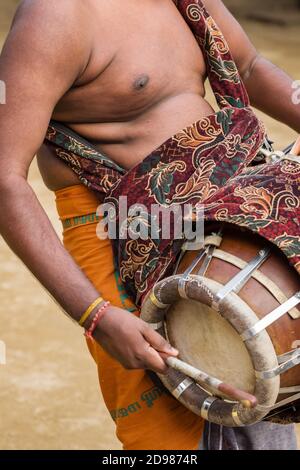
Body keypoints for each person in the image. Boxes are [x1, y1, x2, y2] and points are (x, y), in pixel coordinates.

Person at [0, 0, 299, 450]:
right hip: (118, 232)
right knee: (168, 440)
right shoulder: (56, 15)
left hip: (221, 216)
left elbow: (249, 65)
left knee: (262, 387)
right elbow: (4, 178)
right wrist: (96, 315)